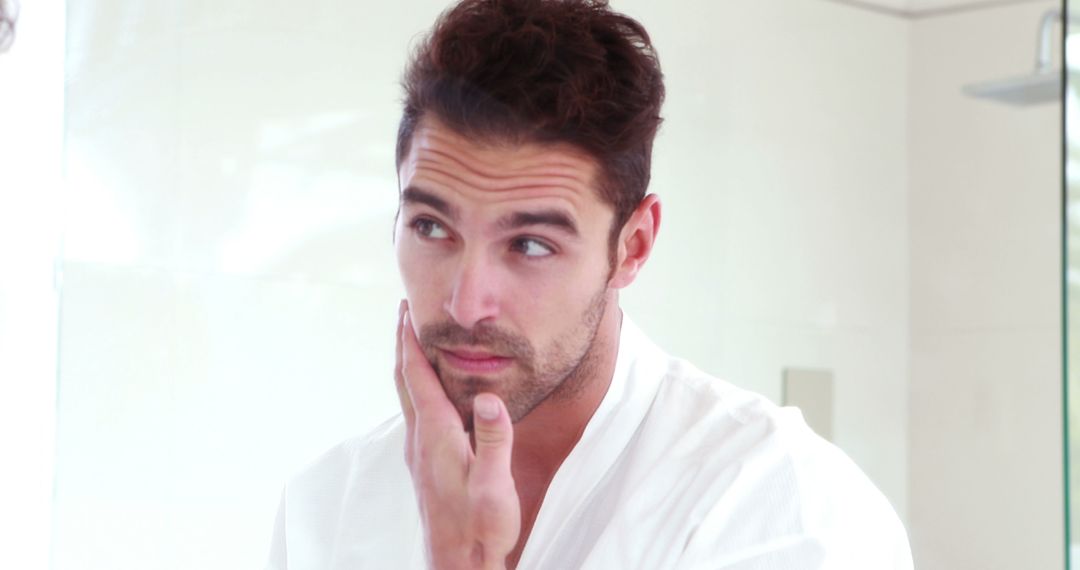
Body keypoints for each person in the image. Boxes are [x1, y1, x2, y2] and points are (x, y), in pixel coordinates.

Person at [267, 0, 913, 568]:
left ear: (633, 246)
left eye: (529, 245)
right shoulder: (331, 504)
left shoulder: (777, 503)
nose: (466, 303)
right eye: (433, 228)